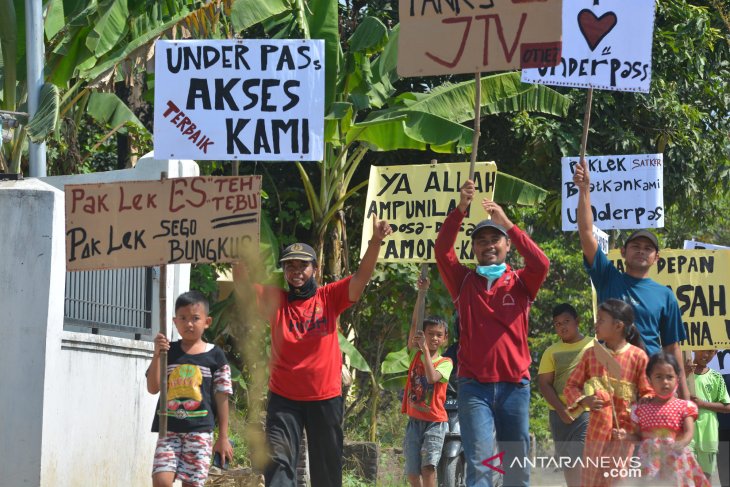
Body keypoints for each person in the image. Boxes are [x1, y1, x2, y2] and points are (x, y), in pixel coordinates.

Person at [241, 216, 392, 487]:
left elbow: (361, 277)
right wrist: (234, 243)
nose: (296, 271)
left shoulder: (328, 297)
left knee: (327, 471)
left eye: (303, 265)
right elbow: (242, 282)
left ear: (315, 268)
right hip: (284, 400)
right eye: (290, 266)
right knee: (278, 465)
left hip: (325, 397)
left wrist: (375, 242)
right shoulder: (276, 300)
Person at [434, 181, 550, 486]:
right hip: (474, 388)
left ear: (507, 245)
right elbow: (442, 250)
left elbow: (541, 262)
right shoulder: (463, 282)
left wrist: (508, 224)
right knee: (481, 465)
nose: (488, 245)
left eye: (495, 239)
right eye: (481, 240)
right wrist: (460, 210)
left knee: (515, 469)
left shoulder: (522, 282)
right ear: (473, 248)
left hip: (515, 387)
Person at [572, 159, 689, 399]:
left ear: (656, 258)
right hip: (611, 373)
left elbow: (672, 347)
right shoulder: (607, 277)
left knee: (652, 437)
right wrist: (584, 190)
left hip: (651, 378)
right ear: (623, 253)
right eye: (635, 245)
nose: (641, 250)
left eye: (648, 248)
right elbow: (585, 232)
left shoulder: (665, 295)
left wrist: (684, 398)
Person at [146, 291, 234, 487]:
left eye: (195, 318)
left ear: (207, 321)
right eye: (183, 319)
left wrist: (223, 437)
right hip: (168, 432)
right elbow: (152, 388)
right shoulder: (168, 352)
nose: (189, 324)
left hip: (200, 433)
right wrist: (157, 354)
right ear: (175, 321)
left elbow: (222, 397)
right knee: (161, 481)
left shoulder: (216, 356)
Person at [564, 299, 653, 486]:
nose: (596, 324)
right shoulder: (591, 355)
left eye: (601, 320)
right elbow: (571, 386)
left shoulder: (638, 357)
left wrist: (638, 412)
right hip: (595, 434)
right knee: (590, 481)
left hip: (622, 435)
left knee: (614, 481)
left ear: (618, 325)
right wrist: (584, 400)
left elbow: (648, 393)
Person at [618, 351, 709, 486]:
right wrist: (625, 436)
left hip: (676, 462)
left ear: (677, 379)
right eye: (659, 377)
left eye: (669, 377)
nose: (664, 382)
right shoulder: (640, 409)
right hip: (649, 463)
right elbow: (639, 436)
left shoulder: (685, 407)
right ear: (649, 380)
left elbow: (689, 433)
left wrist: (681, 443)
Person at [402, 275, 453, 487]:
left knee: (428, 467)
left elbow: (432, 378)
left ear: (445, 338)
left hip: (435, 422)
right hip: (414, 422)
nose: (433, 338)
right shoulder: (415, 354)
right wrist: (422, 293)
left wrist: (424, 349)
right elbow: (415, 323)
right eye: (430, 334)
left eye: (438, 335)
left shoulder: (446, 361)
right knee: (413, 472)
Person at [537, 303, 592, 487]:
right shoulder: (551, 352)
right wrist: (561, 411)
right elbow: (544, 384)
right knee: (569, 463)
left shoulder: (594, 345)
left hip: (586, 412)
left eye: (566, 321)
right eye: (557, 324)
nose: (562, 327)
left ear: (577, 321)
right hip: (559, 415)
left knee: (584, 459)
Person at [687, 349, 730, 480]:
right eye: (702, 350)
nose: (705, 355)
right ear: (694, 348)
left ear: (716, 353)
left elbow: (727, 406)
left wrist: (702, 404)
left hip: (708, 434)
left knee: (705, 478)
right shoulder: (682, 375)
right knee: (687, 476)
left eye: (710, 351)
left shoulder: (716, 377)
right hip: (687, 433)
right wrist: (683, 373)